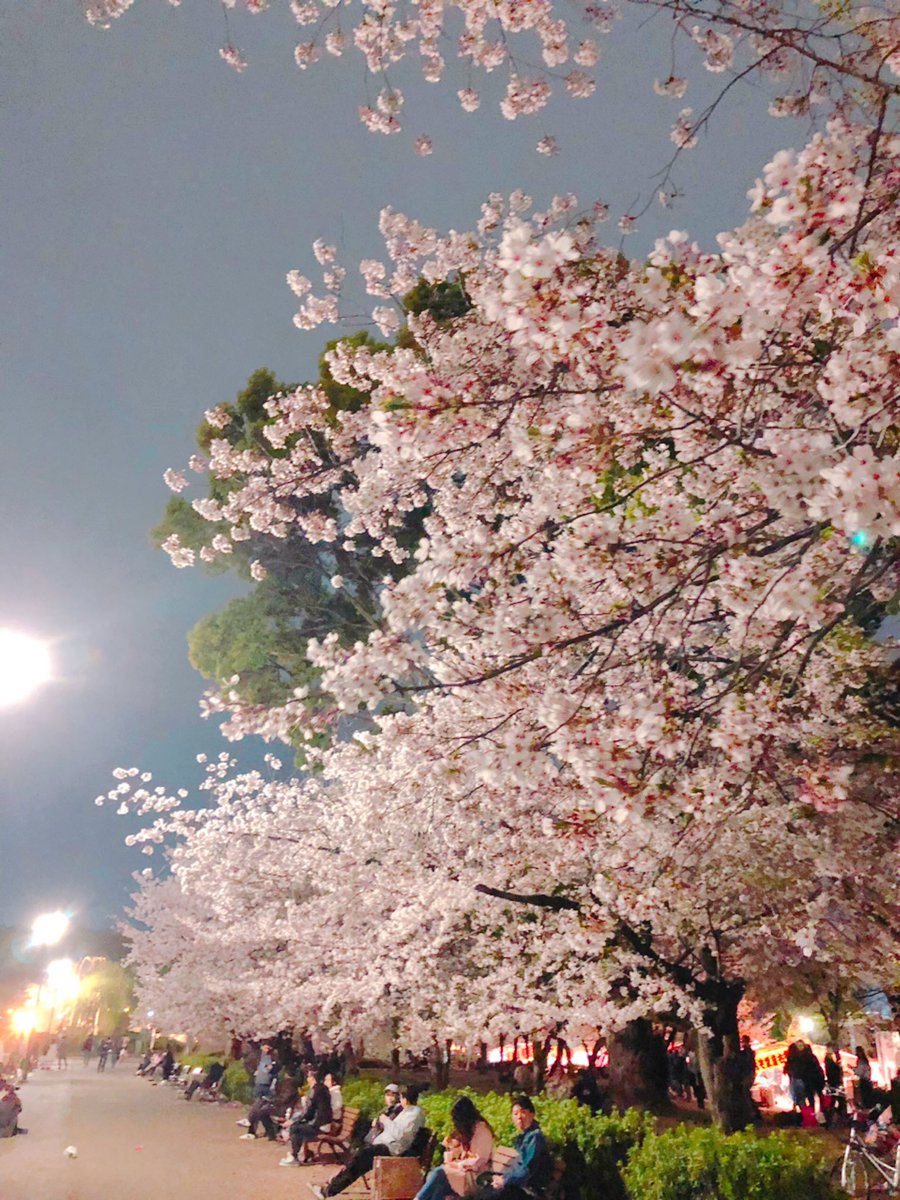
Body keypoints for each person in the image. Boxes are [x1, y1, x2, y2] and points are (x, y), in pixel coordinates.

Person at [312, 1084, 425, 1198]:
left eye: (400, 1097)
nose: (400, 1101)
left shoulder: (413, 1114)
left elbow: (399, 1134)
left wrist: (386, 1121)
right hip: (388, 1146)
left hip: (393, 1149)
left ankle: (330, 1190)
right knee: (358, 1158)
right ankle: (332, 1185)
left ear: (405, 1098)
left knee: (360, 1159)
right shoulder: (408, 1112)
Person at [415, 1095, 494, 1200]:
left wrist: (458, 1164)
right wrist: (452, 1148)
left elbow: (479, 1160)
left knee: (439, 1173)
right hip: (464, 1174)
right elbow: (463, 1154)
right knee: (438, 1184)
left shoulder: (482, 1130)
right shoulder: (469, 1130)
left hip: (477, 1177)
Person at [476, 1095, 552, 1200]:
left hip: (530, 1189)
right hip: (518, 1184)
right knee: (486, 1191)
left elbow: (527, 1170)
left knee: (490, 1196)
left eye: (523, 1112)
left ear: (532, 1114)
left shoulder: (534, 1137)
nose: (519, 1117)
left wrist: (505, 1180)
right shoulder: (523, 1137)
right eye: (515, 1114)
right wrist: (501, 1178)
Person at [279, 1067, 333, 1166]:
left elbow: (310, 1111)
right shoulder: (321, 1089)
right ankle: (297, 1155)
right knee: (297, 1127)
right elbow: (311, 1112)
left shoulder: (317, 1090)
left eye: (308, 1077)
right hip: (321, 1123)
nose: (307, 1079)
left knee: (295, 1128)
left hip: (320, 1126)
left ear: (312, 1078)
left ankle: (295, 1157)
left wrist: (294, 1121)